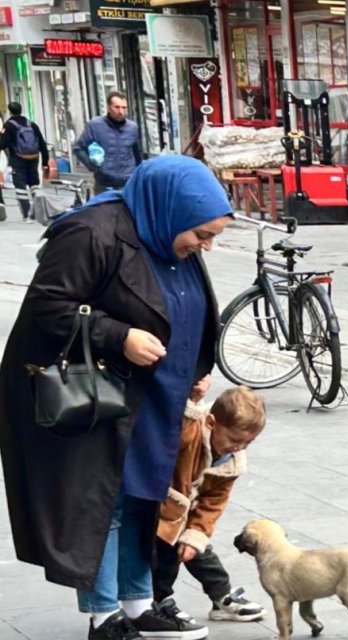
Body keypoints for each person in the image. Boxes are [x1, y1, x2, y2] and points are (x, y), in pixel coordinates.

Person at [0, 155, 234, 639]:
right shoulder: (92, 232)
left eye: (213, 235)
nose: (206, 246)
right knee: (105, 502)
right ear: (172, 211)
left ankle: (138, 604)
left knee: (143, 499)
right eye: (203, 234)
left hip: (152, 396)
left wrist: (195, 369)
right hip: (98, 396)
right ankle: (104, 616)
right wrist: (118, 335)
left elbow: (186, 309)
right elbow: (48, 303)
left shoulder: (170, 238)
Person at [153, 384, 266, 625]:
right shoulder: (193, 431)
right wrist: (192, 399)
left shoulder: (230, 463)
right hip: (158, 506)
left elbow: (213, 503)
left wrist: (196, 533)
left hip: (183, 515)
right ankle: (159, 600)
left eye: (248, 443)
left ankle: (221, 596)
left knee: (196, 548)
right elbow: (179, 421)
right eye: (235, 440)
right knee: (164, 556)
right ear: (212, 423)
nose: (239, 448)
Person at [74, 92, 143, 195]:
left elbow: (137, 154)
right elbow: (78, 148)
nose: (121, 111)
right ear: (109, 107)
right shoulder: (95, 125)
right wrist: (92, 166)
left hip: (128, 184)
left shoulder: (132, 127)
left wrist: (139, 173)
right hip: (104, 185)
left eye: (124, 108)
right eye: (117, 107)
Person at [0, 101, 58, 223]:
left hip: (18, 159)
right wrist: (45, 162)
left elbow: (3, 143)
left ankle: (27, 215)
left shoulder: (9, 125)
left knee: (20, 187)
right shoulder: (31, 124)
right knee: (34, 185)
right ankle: (40, 212)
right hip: (34, 158)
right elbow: (42, 143)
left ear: (10, 112)